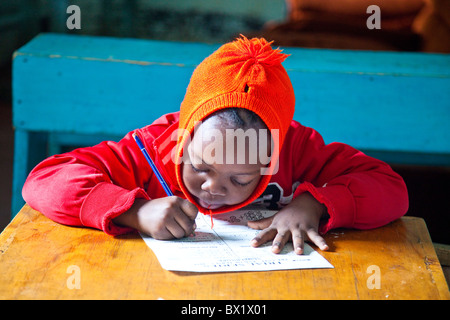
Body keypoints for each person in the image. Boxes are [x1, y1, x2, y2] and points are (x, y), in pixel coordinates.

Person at [22, 36, 409, 255]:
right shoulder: (150, 150)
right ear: (184, 139)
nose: (212, 188)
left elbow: (391, 189)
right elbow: (46, 179)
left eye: (241, 178)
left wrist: (316, 204)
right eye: (201, 166)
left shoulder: (297, 149)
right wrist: (133, 211)